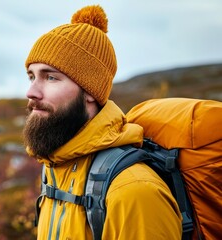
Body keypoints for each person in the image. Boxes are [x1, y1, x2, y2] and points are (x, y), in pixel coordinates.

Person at [22, 5, 182, 240]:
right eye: (31, 76)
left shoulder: (134, 192)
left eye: (51, 77)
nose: (31, 91)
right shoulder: (55, 170)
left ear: (90, 91)